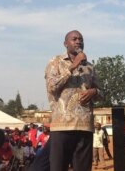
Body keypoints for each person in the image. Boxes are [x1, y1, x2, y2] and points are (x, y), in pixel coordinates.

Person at [44, 30, 103, 171]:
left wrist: (94, 91)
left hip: (85, 127)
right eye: (74, 39)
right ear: (65, 43)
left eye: (81, 39)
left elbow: (102, 93)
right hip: (62, 126)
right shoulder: (55, 62)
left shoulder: (90, 67)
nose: (78, 41)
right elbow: (52, 87)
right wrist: (72, 66)